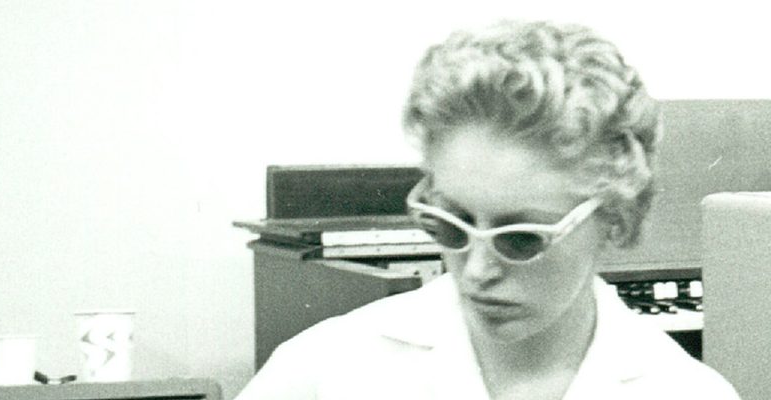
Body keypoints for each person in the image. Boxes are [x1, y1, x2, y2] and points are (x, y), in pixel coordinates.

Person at [236, 20, 740, 399]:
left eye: (520, 238)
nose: (477, 272)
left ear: (616, 218)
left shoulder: (686, 393)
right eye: (451, 227)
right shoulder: (323, 374)